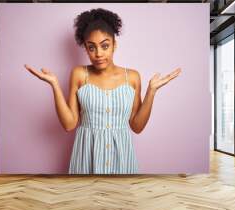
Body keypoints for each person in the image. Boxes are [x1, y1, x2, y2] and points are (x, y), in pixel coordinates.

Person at [24, 8, 181, 174]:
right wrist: (54, 85)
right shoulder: (79, 74)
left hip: (122, 158)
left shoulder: (132, 77)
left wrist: (151, 92)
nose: (98, 54)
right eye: (91, 48)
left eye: (105, 46)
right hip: (86, 158)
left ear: (114, 45)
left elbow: (137, 126)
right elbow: (69, 124)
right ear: (85, 48)